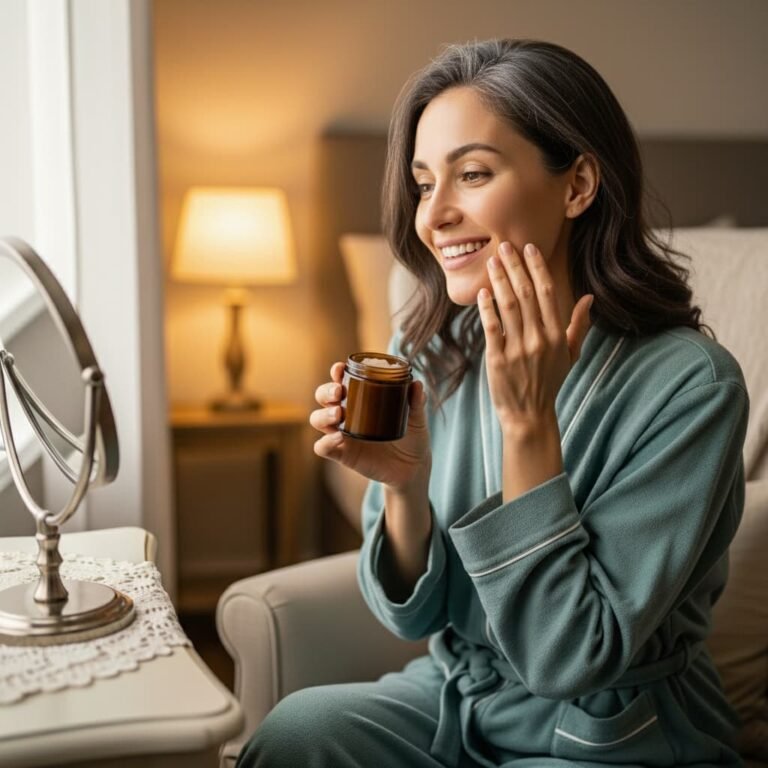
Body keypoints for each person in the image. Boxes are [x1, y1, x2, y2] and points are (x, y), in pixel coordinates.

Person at [238, 39, 748, 767]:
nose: (434, 215)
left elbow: (569, 657)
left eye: (472, 174)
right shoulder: (435, 349)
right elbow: (413, 612)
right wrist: (405, 489)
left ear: (577, 186)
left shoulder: (691, 387)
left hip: (612, 735)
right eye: (422, 183)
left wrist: (527, 423)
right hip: (459, 699)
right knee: (295, 734)